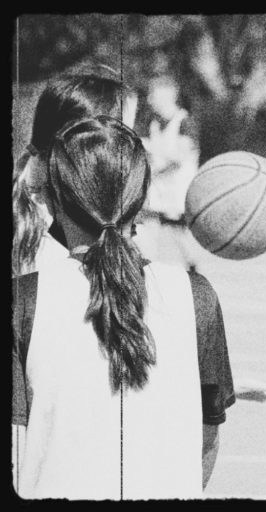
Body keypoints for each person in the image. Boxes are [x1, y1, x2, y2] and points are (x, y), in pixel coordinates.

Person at [12, 116, 235, 499]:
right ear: (141, 198)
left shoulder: (24, 301)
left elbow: (16, 451)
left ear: (54, 201)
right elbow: (206, 442)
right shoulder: (196, 296)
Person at [12, 64, 139, 277]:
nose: (136, 150)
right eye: (125, 138)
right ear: (85, 145)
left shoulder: (38, 199)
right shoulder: (55, 243)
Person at [135, 74, 201, 270]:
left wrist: (149, 147)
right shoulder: (154, 123)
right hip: (158, 187)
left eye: (153, 95)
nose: (149, 100)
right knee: (148, 226)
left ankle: (193, 268)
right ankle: (147, 269)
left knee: (178, 233)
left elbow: (180, 158)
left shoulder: (185, 122)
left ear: (168, 96)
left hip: (178, 189)